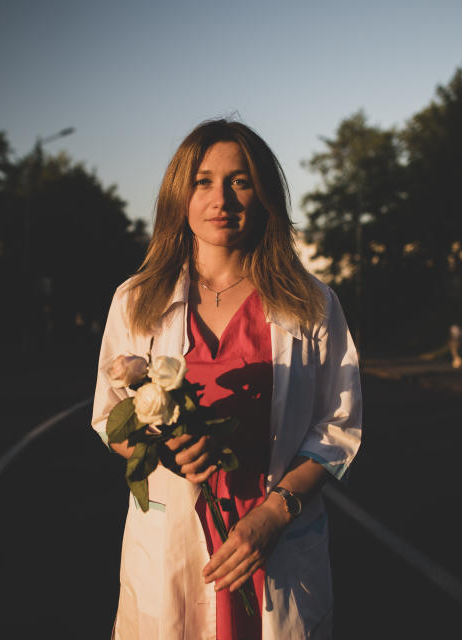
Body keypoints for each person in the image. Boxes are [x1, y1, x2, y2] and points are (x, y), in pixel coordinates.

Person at [91, 119, 362, 639]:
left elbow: (337, 428)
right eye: (203, 181)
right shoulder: (136, 299)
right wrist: (158, 451)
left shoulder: (312, 304)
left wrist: (275, 515)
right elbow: (108, 417)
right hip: (173, 543)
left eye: (240, 181)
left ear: (263, 196)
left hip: (273, 542)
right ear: (180, 195)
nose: (222, 198)